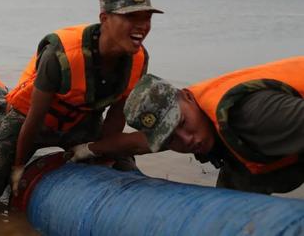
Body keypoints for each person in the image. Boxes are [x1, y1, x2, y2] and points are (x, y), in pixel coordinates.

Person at [0, 0, 163, 211]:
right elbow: (34, 117)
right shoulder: (62, 53)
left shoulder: (138, 59)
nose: (142, 26)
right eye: (131, 17)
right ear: (105, 18)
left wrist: (102, 153)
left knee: (126, 170)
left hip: (82, 123)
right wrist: (17, 168)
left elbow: (116, 116)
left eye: (146, 18)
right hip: (30, 122)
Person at [112, 57, 304, 195]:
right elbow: (134, 144)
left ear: (188, 97)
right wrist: (89, 150)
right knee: (230, 208)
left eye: (183, 122)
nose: (187, 139)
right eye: (170, 138)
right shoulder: (200, 121)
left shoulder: (252, 115)